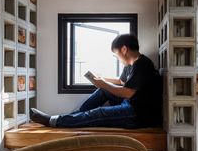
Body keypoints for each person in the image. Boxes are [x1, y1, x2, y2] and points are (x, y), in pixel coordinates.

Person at [30, 33, 162, 129]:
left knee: (100, 112)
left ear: (124, 49)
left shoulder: (143, 65)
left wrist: (104, 84)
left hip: (138, 115)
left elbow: (128, 93)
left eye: (116, 54)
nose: (117, 58)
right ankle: (70, 119)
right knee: (103, 90)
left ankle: (54, 121)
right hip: (131, 105)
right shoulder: (130, 65)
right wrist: (102, 80)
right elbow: (122, 82)